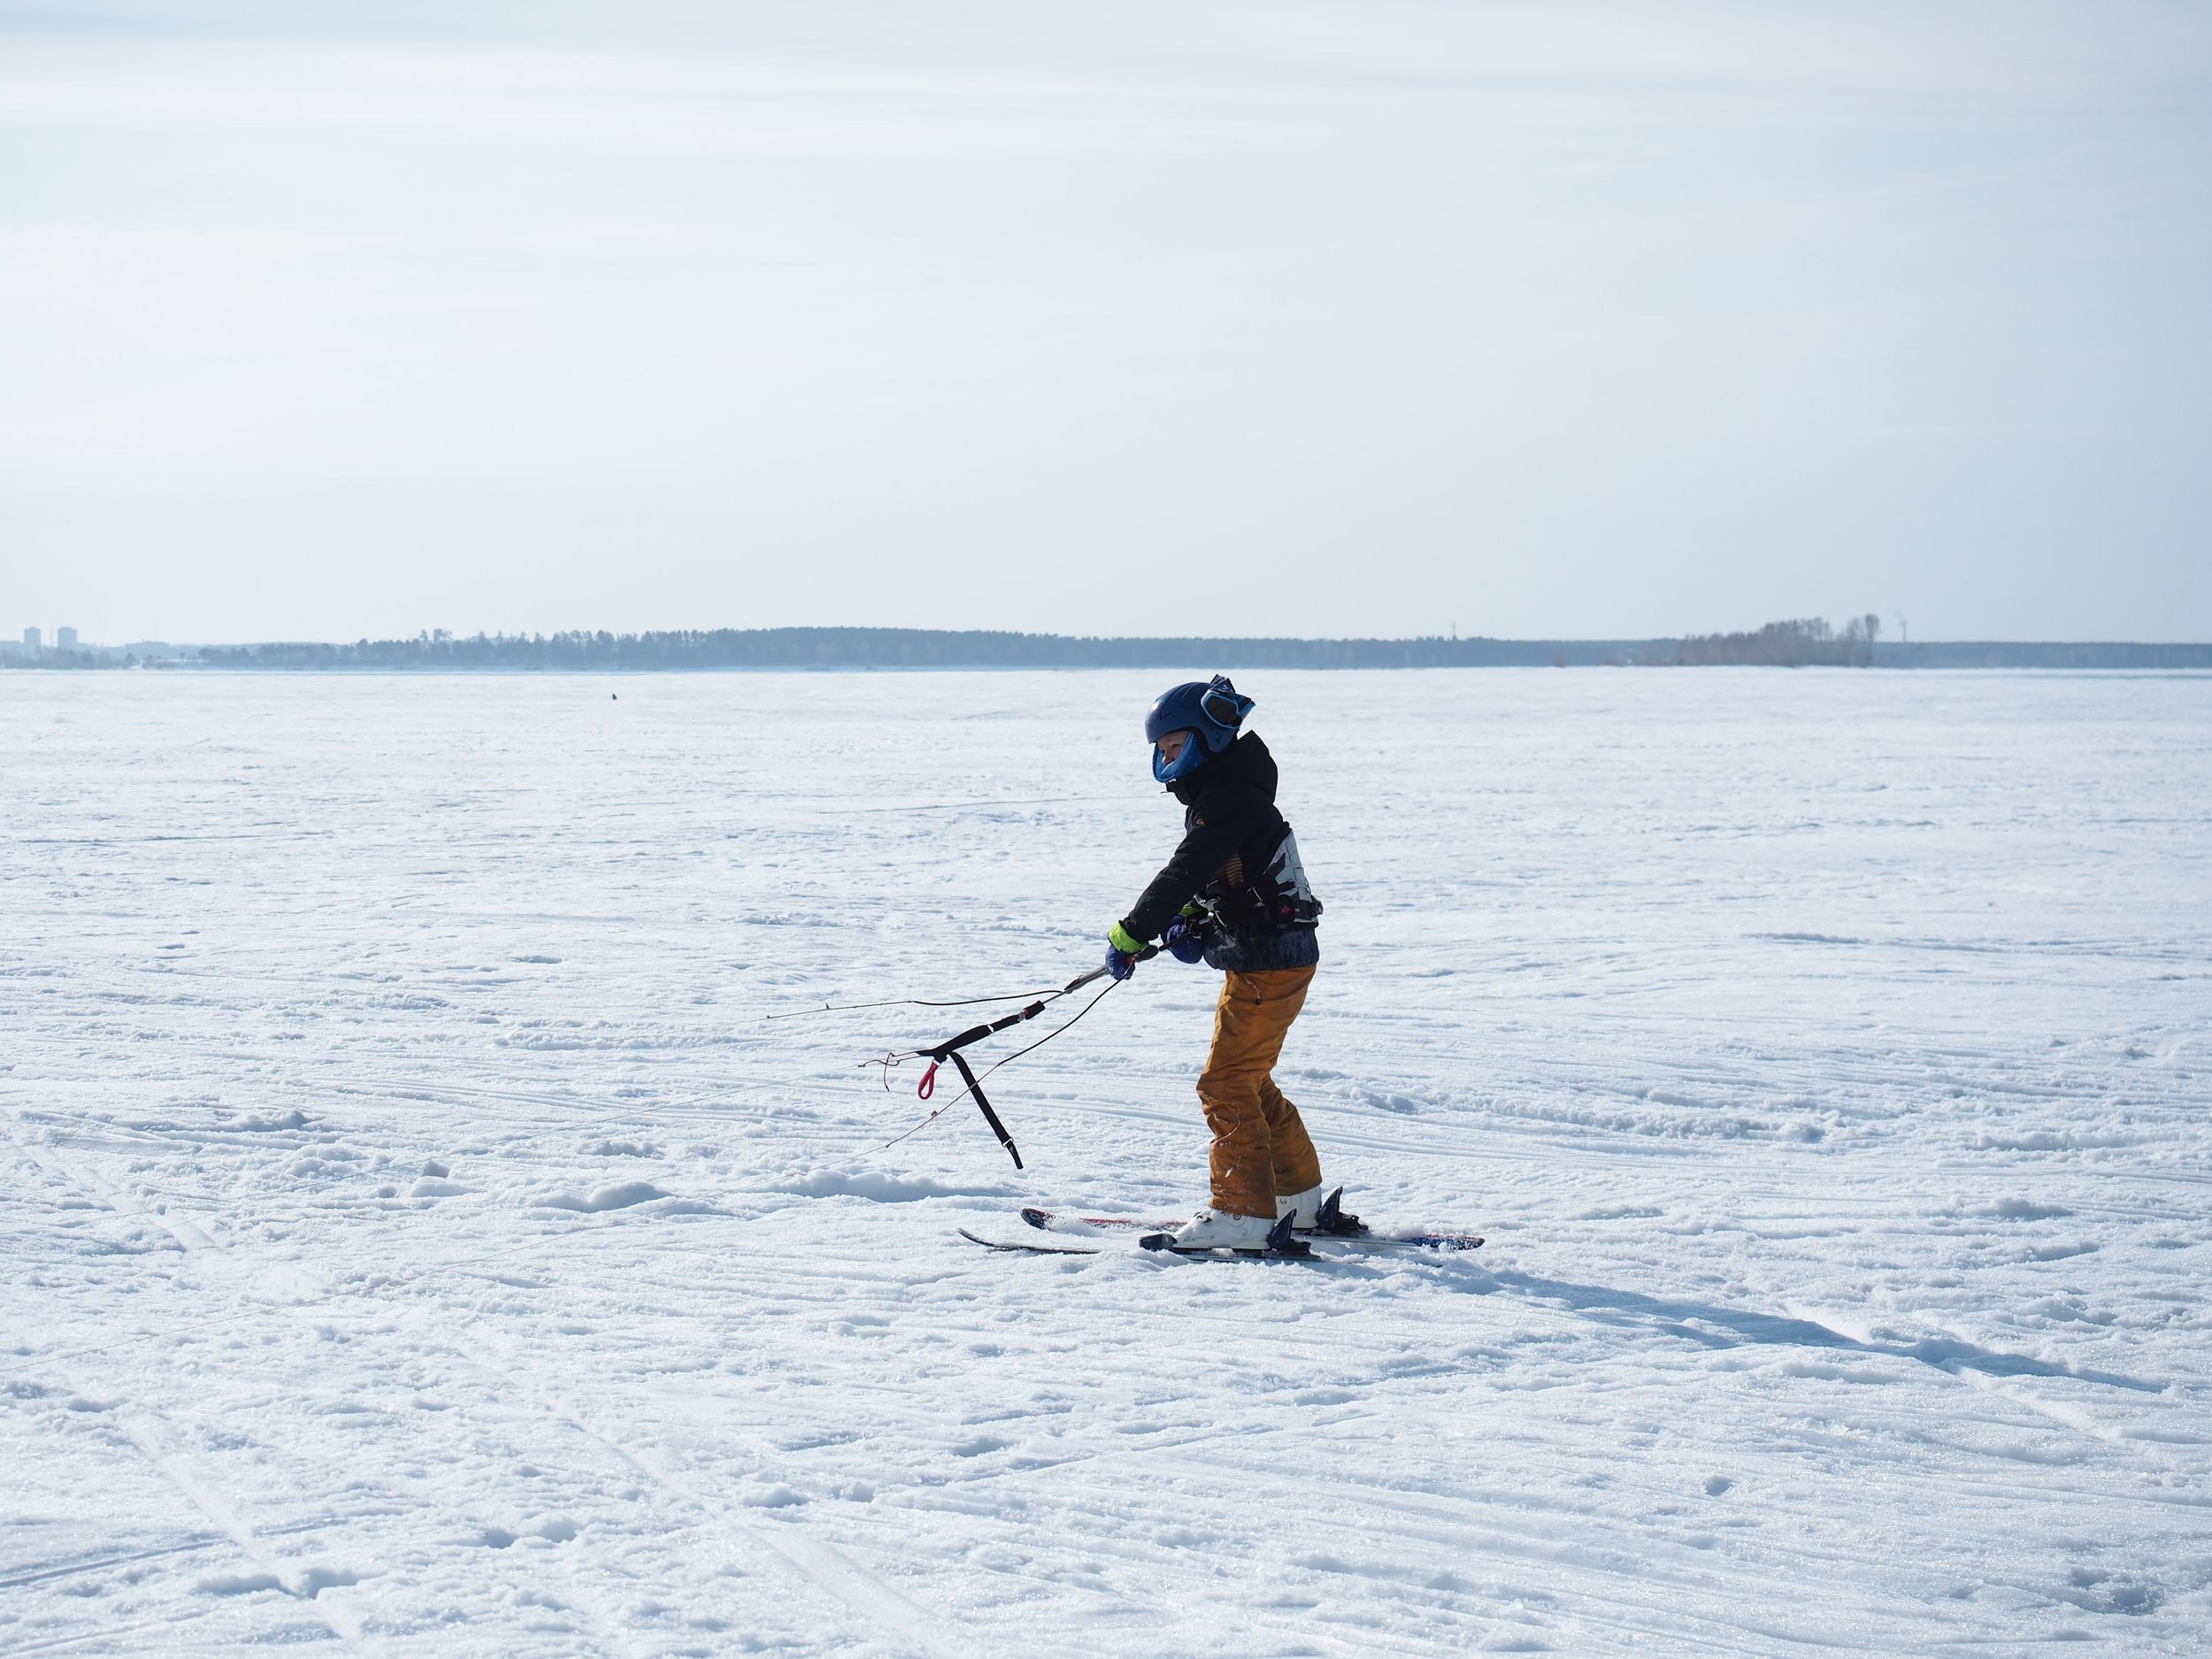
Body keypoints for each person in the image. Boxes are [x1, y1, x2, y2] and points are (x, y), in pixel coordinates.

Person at [1104, 676, 1331, 1248]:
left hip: (1268, 964)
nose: (1166, 759)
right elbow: (1219, 876)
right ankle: (1295, 1198)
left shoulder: (1227, 798)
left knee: (1226, 1083)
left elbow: (1186, 867)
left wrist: (1133, 933)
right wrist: (1191, 920)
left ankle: (1242, 1211)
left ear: (1207, 739)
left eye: (1175, 748)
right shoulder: (1232, 792)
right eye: (1160, 751)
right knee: (1248, 1080)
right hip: (1274, 959)